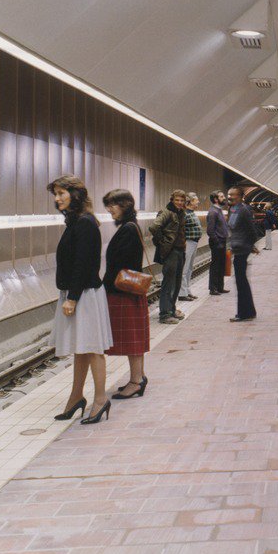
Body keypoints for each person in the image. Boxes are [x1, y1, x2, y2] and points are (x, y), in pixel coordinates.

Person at [47, 175, 113, 424]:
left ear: (76, 195)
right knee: (80, 348)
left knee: (93, 348)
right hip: (78, 292)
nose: (57, 198)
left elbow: (84, 264)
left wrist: (72, 298)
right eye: (56, 194)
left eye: (62, 193)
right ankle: (76, 397)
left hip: (84, 294)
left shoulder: (84, 223)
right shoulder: (75, 222)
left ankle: (99, 399)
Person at [102, 189, 151, 401]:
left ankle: (136, 382)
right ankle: (138, 377)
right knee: (134, 338)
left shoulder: (128, 229)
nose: (109, 209)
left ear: (125, 206)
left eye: (113, 205)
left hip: (124, 292)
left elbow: (122, 264)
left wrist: (104, 285)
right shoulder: (129, 227)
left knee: (132, 340)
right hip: (128, 292)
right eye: (108, 205)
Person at [148, 190, 188, 324]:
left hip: (180, 251)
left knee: (176, 283)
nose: (180, 203)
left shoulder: (181, 213)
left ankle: (171, 310)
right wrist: (163, 241)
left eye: (182, 200)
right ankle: (164, 314)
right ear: (172, 200)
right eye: (177, 200)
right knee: (168, 283)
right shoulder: (167, 212)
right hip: (171, 252)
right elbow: (154, 227)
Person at [227, 186, 259, 321]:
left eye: (233, 195)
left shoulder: (244, 210)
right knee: (241, 281)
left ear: (240, 196)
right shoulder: (232, 209)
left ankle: (243, 313)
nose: (230, 197)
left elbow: (252, 230)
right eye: (229, 195)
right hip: (237, 248)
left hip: (242, 249)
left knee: (241, 282)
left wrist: (250, 245)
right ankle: (249, 311)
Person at [177, 192, 202, 302]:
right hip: (188, 243)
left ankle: (187, 291)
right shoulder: (185, 214)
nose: (198, 202)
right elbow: (180, 230)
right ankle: (182, 293)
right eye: (196, 200)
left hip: (194, 242)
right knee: (184, 269)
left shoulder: (192, 213)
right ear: (191, 201)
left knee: (190, 269)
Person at [206, 190, 231, 296]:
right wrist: (217, 241)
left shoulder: (219, 210)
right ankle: (213, 288)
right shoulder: (213, 212)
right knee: (215, 265)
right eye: (221, 196)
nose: (224, 198)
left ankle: (220, 287)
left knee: (221, 265)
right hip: (217, 242)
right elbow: (210, 230)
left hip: (222, 241)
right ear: (216, 199)